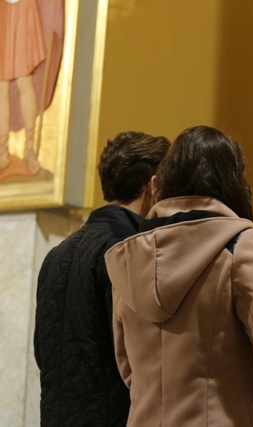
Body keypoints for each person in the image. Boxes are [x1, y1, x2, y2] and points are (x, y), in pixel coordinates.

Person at [104, 125, 253, 427]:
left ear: (164, 181)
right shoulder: (239, 246)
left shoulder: (131, 253)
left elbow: (128, 367)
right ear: (234, 182)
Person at [33, 131, 170, 426]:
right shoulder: (129, 251)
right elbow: (137, 358)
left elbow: (42, 351)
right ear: (153, 186)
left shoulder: (56, 253)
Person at [0, 0, 46, 173]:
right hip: (4, 10)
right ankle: (2, 152)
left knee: (23, 79)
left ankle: (29, 149)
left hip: (23, 10)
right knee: (1, 84)